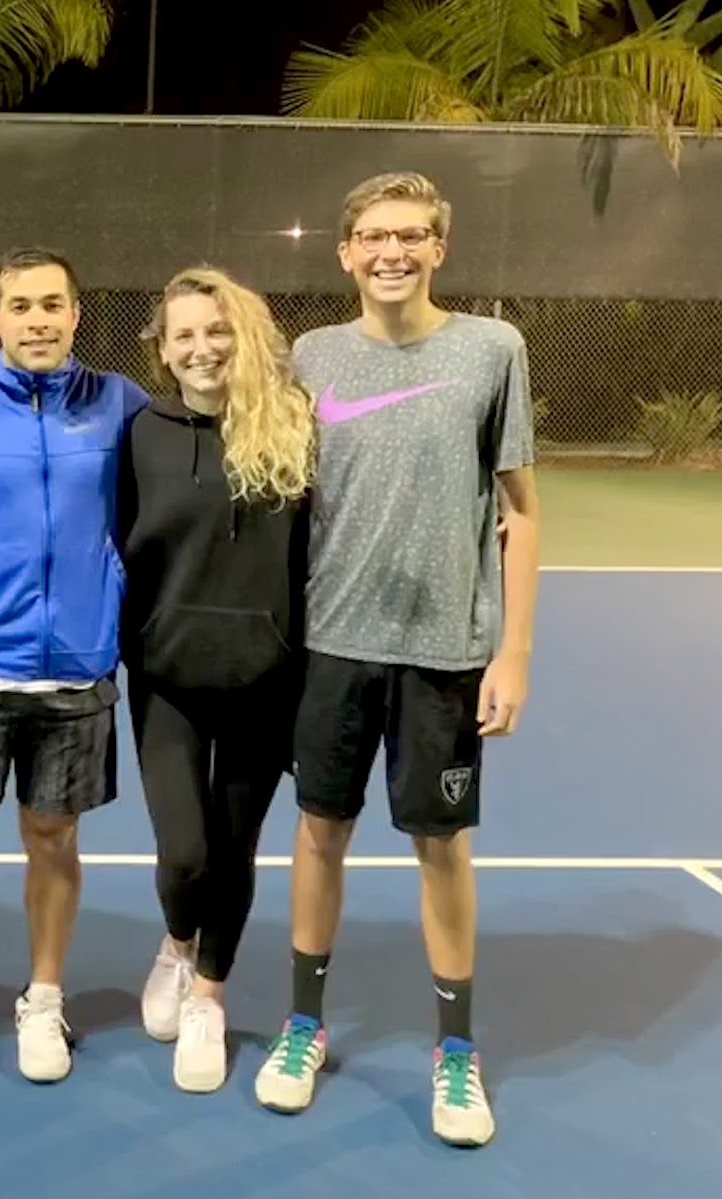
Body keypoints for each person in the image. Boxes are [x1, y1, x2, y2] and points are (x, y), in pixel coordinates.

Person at [253, 172, 540, 1148]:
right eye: (374, 236)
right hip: (330, 645)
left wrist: (513, 651)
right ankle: (303, 1024)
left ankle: (455, 1049)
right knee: (318, 832)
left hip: (445, 652)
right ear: (345, 252)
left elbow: (521, 512)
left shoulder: (492, 349)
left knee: (440, 846)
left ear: (437, 248)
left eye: (411, 235)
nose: (392, 251)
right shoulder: (312, 354)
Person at [0, 247, 149, 1085]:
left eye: (52, 304)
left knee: (54, 836)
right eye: (21, 305)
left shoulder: (119, 402)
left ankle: (44, 997)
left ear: (76, 314)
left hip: (77, 669)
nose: (37, 320)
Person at [119, 266, 313, 1093]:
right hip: (167, 675)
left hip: (264, 680)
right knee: (184, 853)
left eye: (217, 329)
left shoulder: (296, 426)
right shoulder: (140, 432)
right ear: (163, 350)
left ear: (245, 334)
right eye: (185, 334)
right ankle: (177, 940)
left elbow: (313, 558)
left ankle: (207, 994)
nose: (202, 347)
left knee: (233, 850)